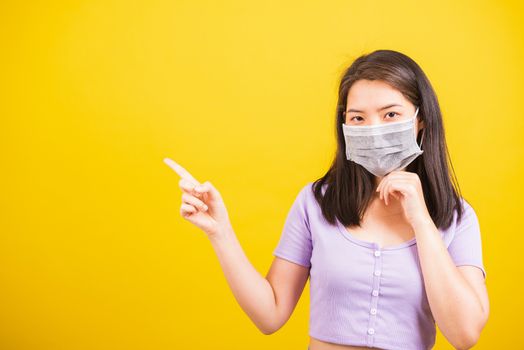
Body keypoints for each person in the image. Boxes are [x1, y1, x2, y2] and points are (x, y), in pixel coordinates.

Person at [164, 49, 489, 350]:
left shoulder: (457, 219)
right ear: (344, 125)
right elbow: (270, 315)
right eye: (358, 118)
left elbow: (464, 334)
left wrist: (422, 221)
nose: (373, 129)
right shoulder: (316, 202)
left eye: (390, 114)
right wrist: (220, 232)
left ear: (420, 119)